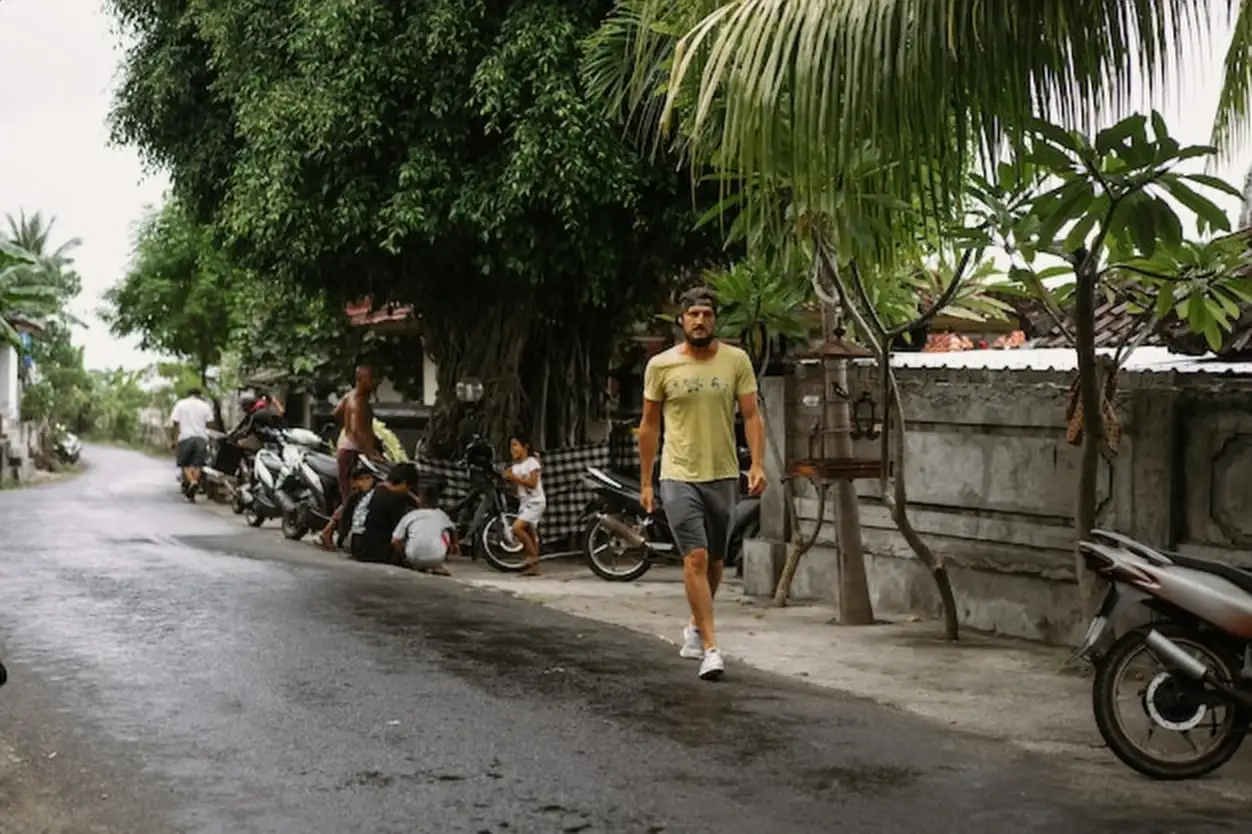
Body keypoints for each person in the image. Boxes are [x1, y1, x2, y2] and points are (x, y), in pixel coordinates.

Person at [638, 286, 766, 681]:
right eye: (692, 314)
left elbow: (751, 416)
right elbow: (650, 425)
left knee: (714, 560)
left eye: (706, 315)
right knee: (693, 557)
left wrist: (757, 464)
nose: (699, 321)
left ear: (715, 320)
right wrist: (646, 481)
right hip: (678, 474)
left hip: (723, 473)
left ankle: (695, 627)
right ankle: (711, 649)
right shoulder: (661, 366)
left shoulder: (736, 360)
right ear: (681, 320)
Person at [320, 365, 383, 549]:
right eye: (371, 378)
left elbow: (336, 413)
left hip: (353, 450)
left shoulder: (351, 397)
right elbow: (356, 431)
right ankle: (327, 531)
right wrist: (368, 451)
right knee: (353, 497)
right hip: (352, 452)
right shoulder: (357, 401)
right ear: (361, 380)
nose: (374, 383)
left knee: (356, 495)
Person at [349, 462, 420, 565]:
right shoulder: (394, 499)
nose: (407, 492)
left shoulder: (373, 491)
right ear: (404, 483)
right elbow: (399, 535)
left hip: (357, 547)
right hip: (375, 552)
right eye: (409, 489)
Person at [502, 433, 545, 576]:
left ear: (525, 446)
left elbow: (532, 484)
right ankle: (533, 568)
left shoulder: (532, 462)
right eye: (511, 446)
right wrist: (509, 479)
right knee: (531, 533)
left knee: (516, 528)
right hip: (524, 502)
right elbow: (517, 489)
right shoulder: (515, 466)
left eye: (515, 445)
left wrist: (514, 477)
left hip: (536, 502)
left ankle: (533, 556)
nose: (512, 449)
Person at [391, 484, 458, 575]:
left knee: (407, 534)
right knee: (446, 531)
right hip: (436, 558)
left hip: (413, 557)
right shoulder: (442, 515)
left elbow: (395, 541)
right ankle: (436, 566)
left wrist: (404, 556)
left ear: (420, 501)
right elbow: (453, 531)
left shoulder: (410, 515)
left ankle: (415, 563)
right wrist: (456, 546)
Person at [167, 387, 217, 501]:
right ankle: (192, 491)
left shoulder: (181, 404)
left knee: (185, 464)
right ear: (199, 394)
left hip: (185, 437)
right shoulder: (205, 406)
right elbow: (210, 423)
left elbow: (174, 422)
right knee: (198, 464)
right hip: (201, 438)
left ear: (188, 394)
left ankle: (192, 481)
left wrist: (172, 439)